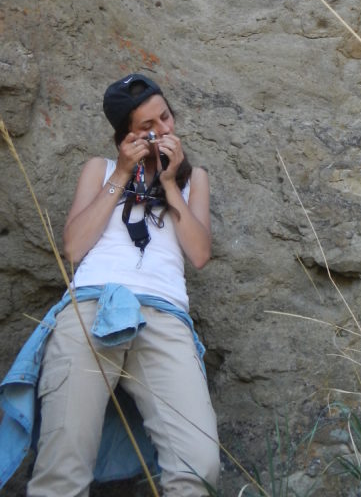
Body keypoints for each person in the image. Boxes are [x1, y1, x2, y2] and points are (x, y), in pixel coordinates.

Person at [20, 73, 220, 496]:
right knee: (63, 465)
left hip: (164, 316)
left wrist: (168, 182)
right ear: (126, 135)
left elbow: (199, 255)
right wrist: (124, 172)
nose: (163, 131)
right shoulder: (101, 169)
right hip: (93, 307)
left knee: (198, 466)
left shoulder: (192, 178)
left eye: (165, 118)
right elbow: (74, 247)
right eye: (148, 127)